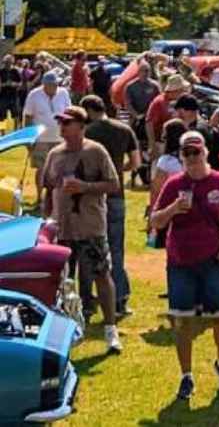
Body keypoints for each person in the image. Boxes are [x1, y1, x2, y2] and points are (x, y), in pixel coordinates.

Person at [149, 131, 219, 401]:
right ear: (180, 157)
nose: (192, 158)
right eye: (186, 154)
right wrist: (173, 209)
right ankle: (186, 376)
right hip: (180, 262)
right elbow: (155, 221)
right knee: (182, 320)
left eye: (196, 153)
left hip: (213, 260)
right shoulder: (173, 184)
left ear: (205, 154)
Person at [42, 106, 122, 352]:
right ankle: (62, 332)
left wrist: (85, 187)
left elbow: (113, 184)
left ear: (81, 126)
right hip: (62, 228)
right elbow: (48, 185)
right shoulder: (55, 154)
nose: (62, 127)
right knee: (61, 280)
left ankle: (110, 329)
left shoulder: (96, 152)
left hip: (90, 227)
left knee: (101, 274)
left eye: (67, 123)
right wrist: (48, 216)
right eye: (60, 123)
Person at [81, 95, 140, 317]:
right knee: (116, 249)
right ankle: (120, 299)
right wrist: (118, 171)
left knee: (90, 249)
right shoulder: (124, 130)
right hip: (117, 196)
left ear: (88, 111)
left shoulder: (88, 133)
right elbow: (136, 162)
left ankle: (88, 301)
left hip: (93, 196)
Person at [24, 72, 72, 204]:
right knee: (41, 169)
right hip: (41, 138)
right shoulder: (34, 95)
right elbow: (28, 116)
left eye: (56, 84)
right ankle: (39, 197)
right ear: (45, 85)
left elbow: (69, 112)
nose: (55, 87)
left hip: (60, 137)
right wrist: (29, 138)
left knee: (60, 168)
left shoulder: (63, 93)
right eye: (52, 85)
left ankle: (58, 197)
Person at [147, 74, 189, 163]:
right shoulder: (159, 102)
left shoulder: (183, 101)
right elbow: (149, 123)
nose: (184, 91)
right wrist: (152, 144)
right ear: (174, 91)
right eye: (182, 90)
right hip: (162, 143)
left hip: (179, 142)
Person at [0, 55, 22, 130]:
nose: (8, 64)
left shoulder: (15, 71)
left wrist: (13, 84)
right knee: (2, 115)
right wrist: (5, 84)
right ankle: (2, 132)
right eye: (6, 62)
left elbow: (20, 83)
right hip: (3, 95)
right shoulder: (1, 71)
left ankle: (16, 130)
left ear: (12, 62)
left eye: (9, 62)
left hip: (13, 95)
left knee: (16, 114)